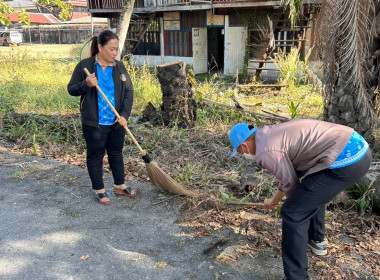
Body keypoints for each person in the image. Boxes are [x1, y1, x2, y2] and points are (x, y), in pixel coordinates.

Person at [228, 119, 372, 280]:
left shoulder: (265, 151)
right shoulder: (268, 135)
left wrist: (284, 202)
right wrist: (274, 199)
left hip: (346, 158)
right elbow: (291, 177)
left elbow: (290, 184)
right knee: (309, 193)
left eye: (239, 152)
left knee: (292, 212)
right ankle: (316, 241)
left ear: (244, 146)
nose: (243, 155)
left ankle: (297, 277)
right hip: (357, 148)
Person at [67, 30, 135, 205]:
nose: (115, 53)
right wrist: (86, 84)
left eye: (116, 49)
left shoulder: (119, 67)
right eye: (111, 49)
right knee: (96, 155)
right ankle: (99, 189)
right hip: (94, 123)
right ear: (100, 47)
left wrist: (124, 115)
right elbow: (72, 89)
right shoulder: (86, 66)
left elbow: (128, 91)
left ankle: (120, 185)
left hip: (116, 121)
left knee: (116, 153)